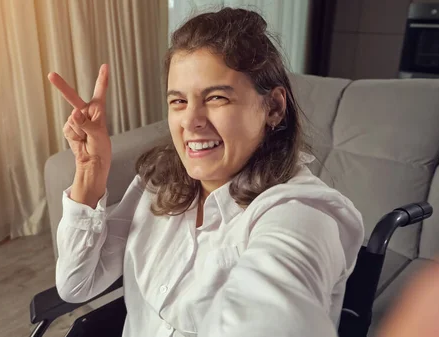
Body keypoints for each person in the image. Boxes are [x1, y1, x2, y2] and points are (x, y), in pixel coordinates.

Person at [47, 7, 364, 337]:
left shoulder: (300, 213)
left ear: (273, 107)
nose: (190, 121)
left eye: (216, 97)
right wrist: (91, 171)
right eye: (178, 102)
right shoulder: (158, 183)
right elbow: (76, 284)